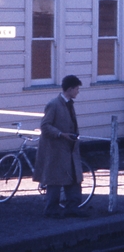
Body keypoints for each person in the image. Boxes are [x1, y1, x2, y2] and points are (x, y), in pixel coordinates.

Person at [33, 75, 89, 218]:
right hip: (57, 150)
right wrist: (60, 134)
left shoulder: (68, 103)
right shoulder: (54, 104)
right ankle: (51, 209)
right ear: (70, 89)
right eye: (77, 89)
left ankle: (72, 207)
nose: (78, 92)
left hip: (69, 148)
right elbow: (45, 126)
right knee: (55, 180)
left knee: (73, 177)